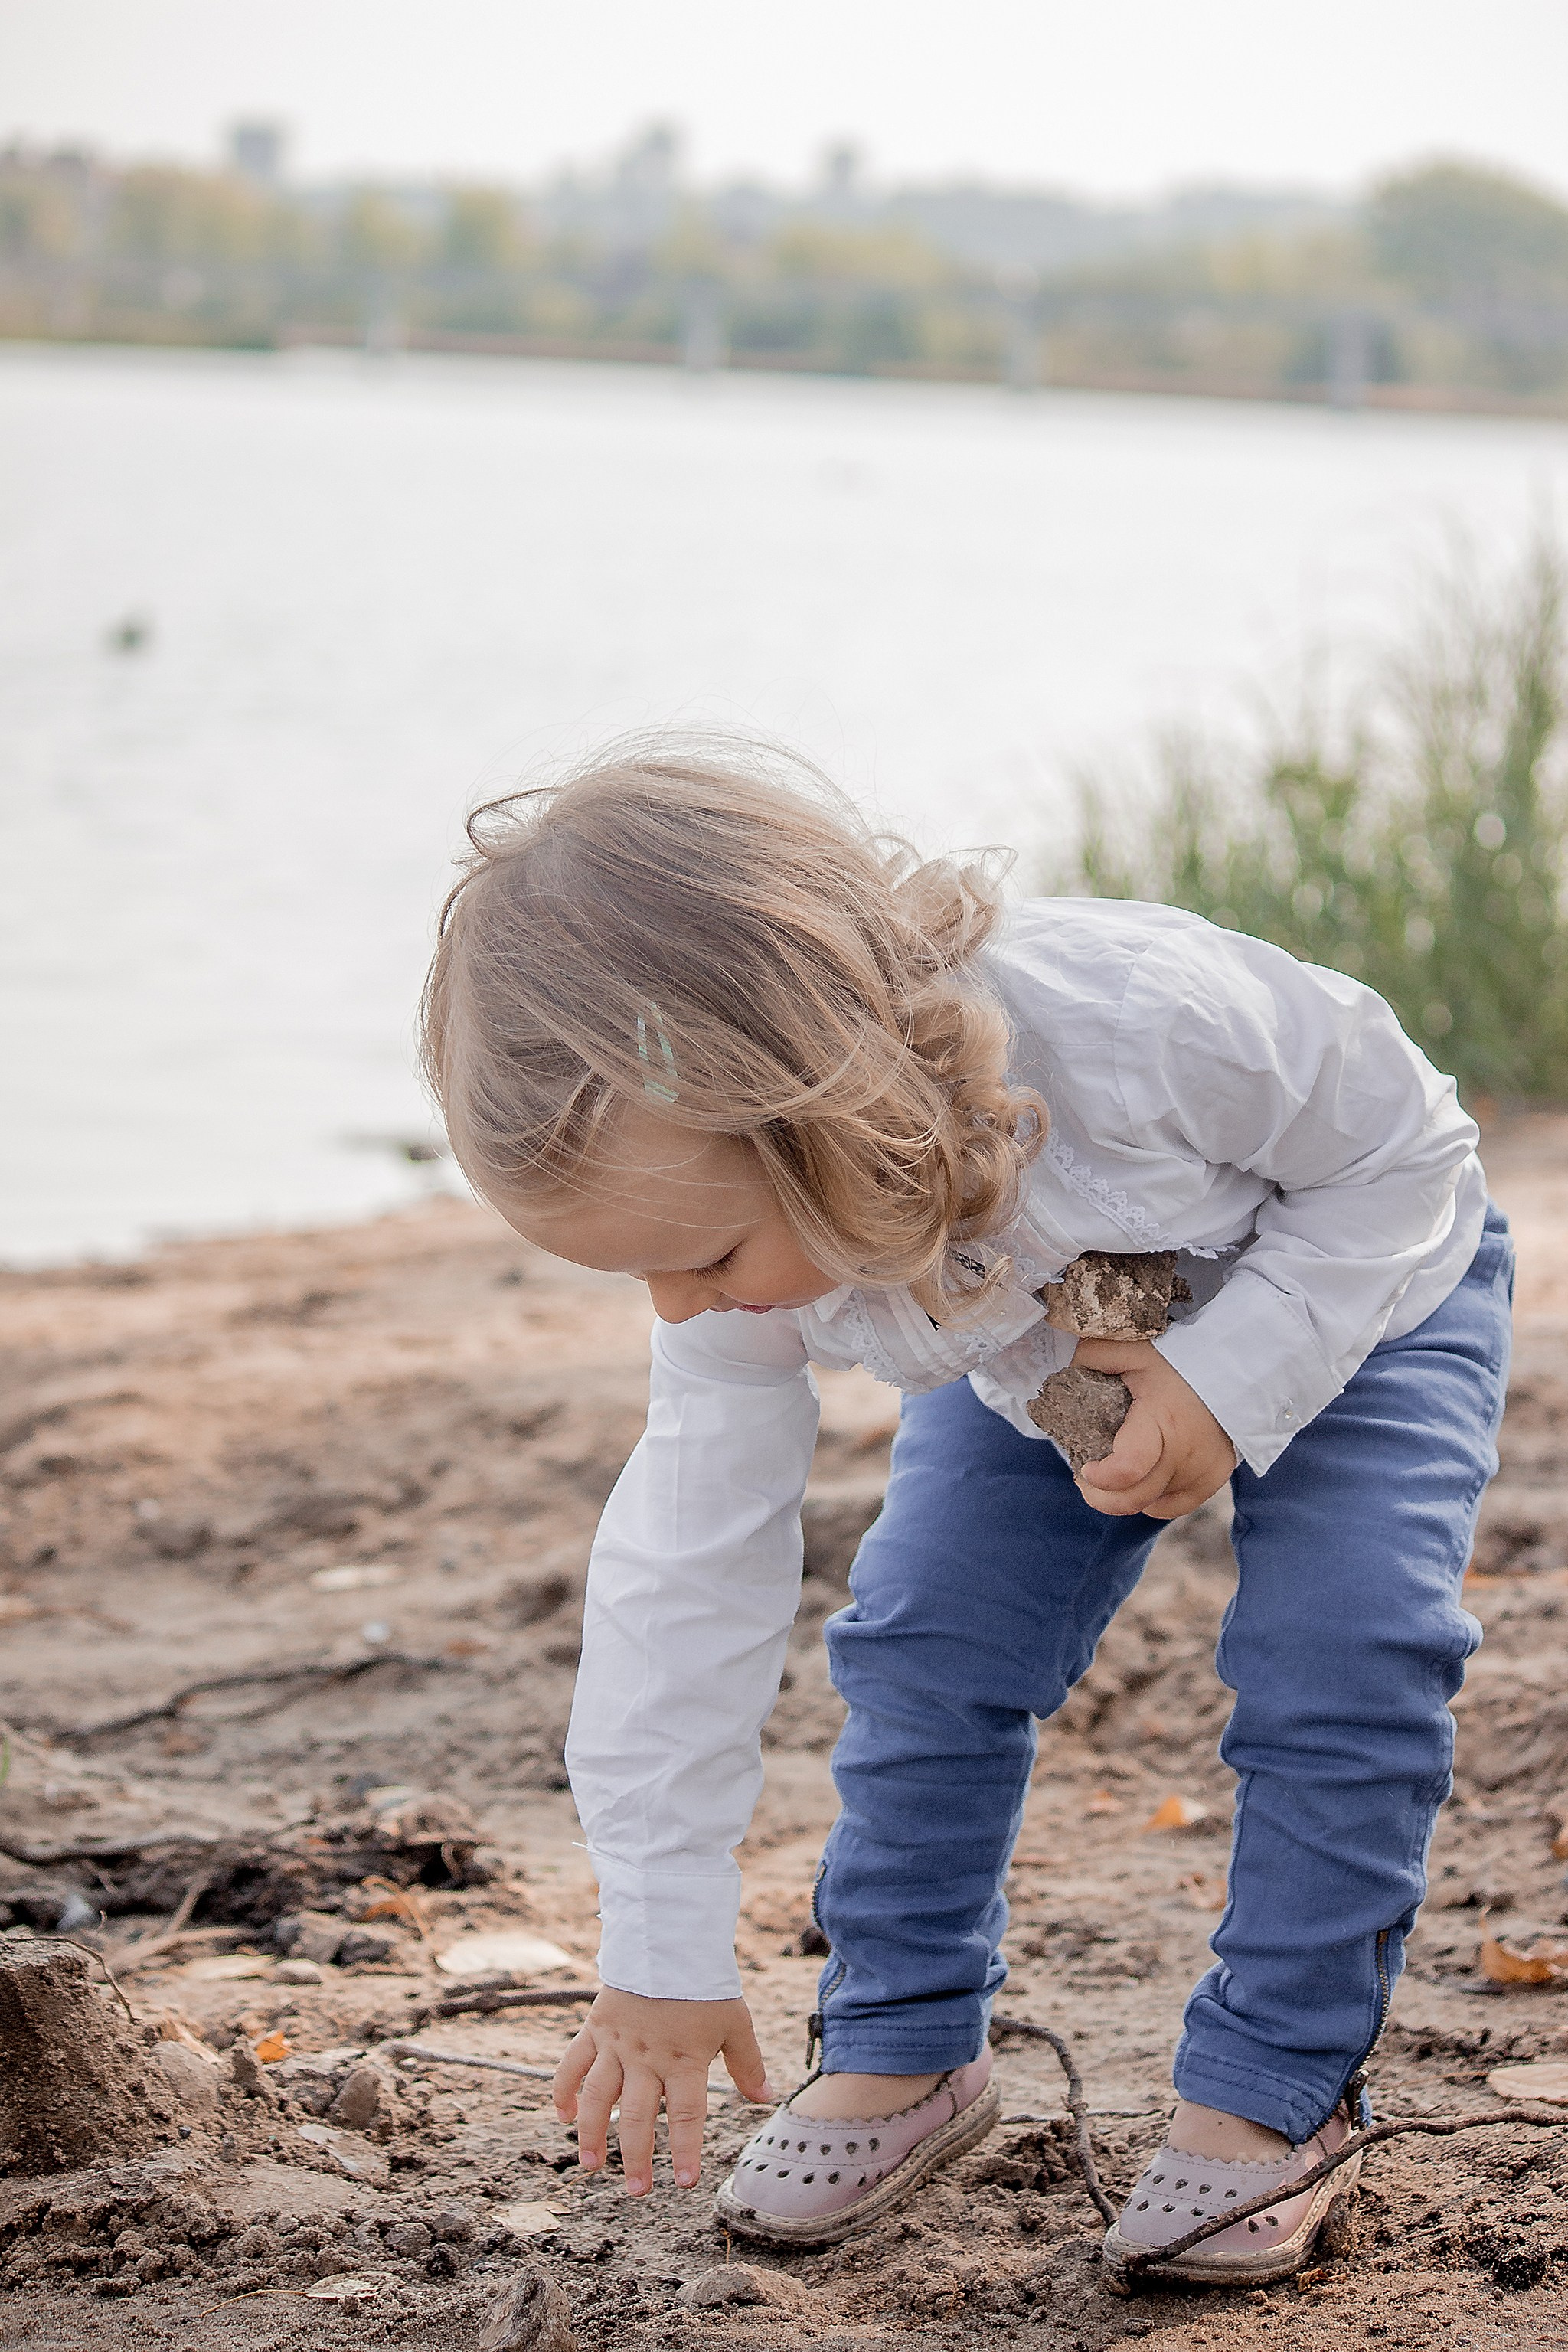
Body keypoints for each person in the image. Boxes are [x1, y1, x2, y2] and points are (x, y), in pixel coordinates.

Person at [418, 737, 1510, 2285]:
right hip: (1037, 1340)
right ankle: (907, 2042)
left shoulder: (1138, 1018)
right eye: (638, 1273)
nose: (678, 1305)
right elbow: (684, 1570)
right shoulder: (744, 1264)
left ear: (822, 1113)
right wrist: (656, 1942)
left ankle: (1273, 2090)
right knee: (924, 1639)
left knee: (1343, 1657)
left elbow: (1407, 1152)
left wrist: (1226, 1379)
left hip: (1355, 1280)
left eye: (707, 1252)